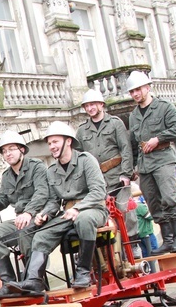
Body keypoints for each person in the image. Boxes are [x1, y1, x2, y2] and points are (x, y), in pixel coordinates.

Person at [8, 121, 108, 293]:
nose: (51, 147)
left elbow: (98, 191)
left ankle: (83, 272)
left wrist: (78, 208)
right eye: (49, 143)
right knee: (41, 235)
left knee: (83, 219)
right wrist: (45, 214)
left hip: (94, 209)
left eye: (55, 142)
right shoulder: (52, 170)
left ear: (68, 141)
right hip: (67, 214)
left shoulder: (86, 160)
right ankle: (33, 280)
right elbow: (54, 200)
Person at [0, 130, 50, 296]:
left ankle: (32, 279)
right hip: (20, 221)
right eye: (4, 151)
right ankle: (8, 283)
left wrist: (29, 213)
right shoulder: (7, 176)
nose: (7, 154)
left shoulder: (37, 167)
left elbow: (42, 193)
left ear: (22, 150)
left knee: (24, 228)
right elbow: (1, 204)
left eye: (11, 149)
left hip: (41, 217)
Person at [127, 70, 176, 255]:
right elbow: (134, 144)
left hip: (163, 159)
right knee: (153, 203)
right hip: (145, 165)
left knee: (169, 198)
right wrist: (134, 167)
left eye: (138, 89)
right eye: (132, 92)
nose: (136, 94)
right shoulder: (134, 115)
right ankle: (167, 240)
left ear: (147, 87)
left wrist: (158, 138)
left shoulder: (164, 107)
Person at [76, 88, 139, 258]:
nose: (90, 108)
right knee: (101, 218)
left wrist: (126, 174)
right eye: (87, 106)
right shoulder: (82, 131)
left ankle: (133, 247)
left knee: (125, 211)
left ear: (101, 105)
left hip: (117, 176)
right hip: (97, 182)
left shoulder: (115, 123)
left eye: (93, 104)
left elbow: (126, 149)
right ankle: (109, 257)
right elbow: (78, 158)